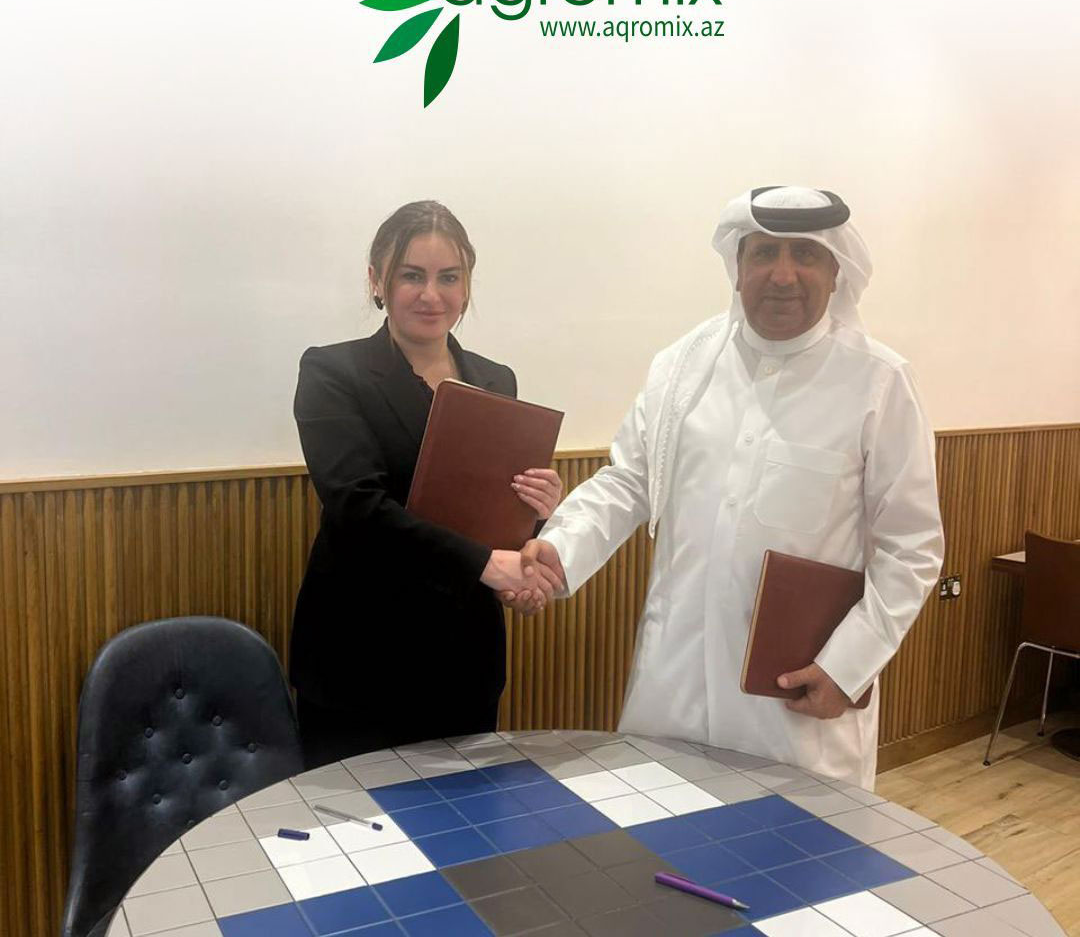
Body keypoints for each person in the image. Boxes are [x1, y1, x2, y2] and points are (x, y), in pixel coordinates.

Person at [518, 186, 945, 788]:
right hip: (673, 687)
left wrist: (849, 665)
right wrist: (559, 550)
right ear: (738, 267)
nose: (783, 274)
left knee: (795, 845)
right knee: (656, 835)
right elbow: (630, 480)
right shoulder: (681, 367)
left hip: (796, 701)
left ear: (836, 271)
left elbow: (912, 546)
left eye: (805, 254)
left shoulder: (879, 382)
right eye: (764, 253)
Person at [290, 200, 563, 769]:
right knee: (353, 826)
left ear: (467, 285)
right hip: (359, 659)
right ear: (377, 280)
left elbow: (491, 515)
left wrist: (536, 516)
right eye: (411, 275)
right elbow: (357, 507)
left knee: (465, 821)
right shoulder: (331, 372)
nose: (431, 295)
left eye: (449, 278)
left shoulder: (495, 379)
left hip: (465, 659)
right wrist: (486, 564)